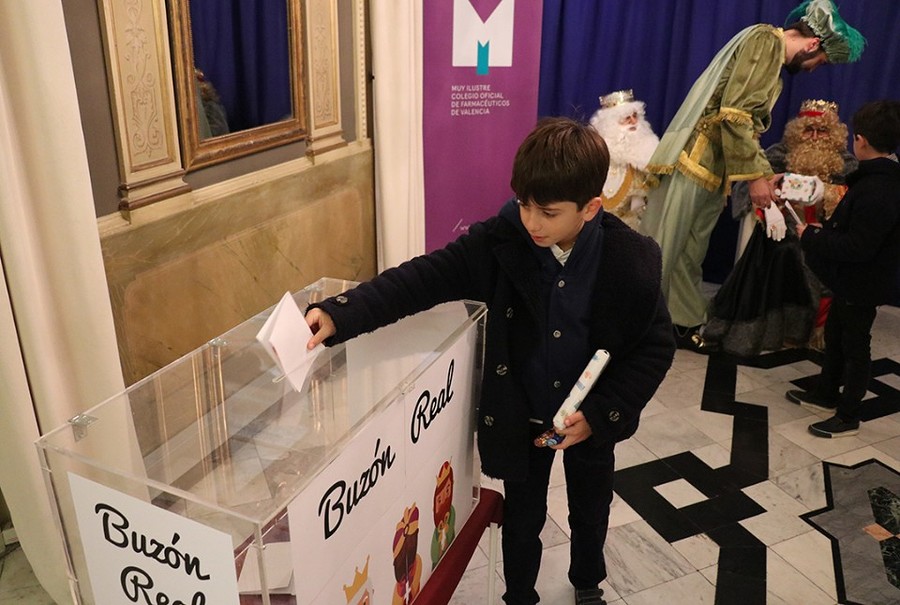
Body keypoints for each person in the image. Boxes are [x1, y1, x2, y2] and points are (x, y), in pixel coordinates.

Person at [304, 117, 676, 605]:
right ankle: (519, 595)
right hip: (524, 420)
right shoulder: (500, 242)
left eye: (548, 212)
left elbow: (655, 346)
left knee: (592, 508)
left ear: (590, 208)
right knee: (521, 519)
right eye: (523, 204)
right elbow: (423, 278)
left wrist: (604, 412)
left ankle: (588, 583)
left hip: (590, 420)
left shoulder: (630, 260)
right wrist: (341, 313)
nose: (531, 222)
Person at [638, 0, 866, 353]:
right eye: (820, 61)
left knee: (689, 252)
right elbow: (735, 116)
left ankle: (682, 323)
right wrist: (756, 179)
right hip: (692, 162)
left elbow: (746, 125)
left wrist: (762, 174)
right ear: (813, 44)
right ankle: (633, 329)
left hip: (715, 169)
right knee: (663, 248)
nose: (813, 70)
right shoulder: (765, 41)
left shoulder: (771, 56)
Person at [704, 100, 858, 357]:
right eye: (808, 130)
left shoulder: (847, 163)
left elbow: (853, 202)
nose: (815, 137)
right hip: (783, 229)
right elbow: (750, 186)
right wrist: (771, 204)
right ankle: (778, 330)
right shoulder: (778, 154)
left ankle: (816, 333)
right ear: (798, 131)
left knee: (821, 256)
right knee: (781, 253)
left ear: (833, 134)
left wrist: (825, 198)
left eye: (822, 131)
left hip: (828, 232)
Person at [786, 100, 900, 438]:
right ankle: (825, 393)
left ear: (860, 140)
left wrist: (812, 237)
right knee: (835, 337)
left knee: (855, 347)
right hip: (850, 282)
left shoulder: (879, 188)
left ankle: (848, 415)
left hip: (862, 283)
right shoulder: (878, 178)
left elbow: (858, 247)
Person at [589, 89, 660, 229]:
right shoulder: (593, 156)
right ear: (610, 125)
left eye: (635, 116)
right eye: (626, 118)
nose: (633, 121)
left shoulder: (647, 157)